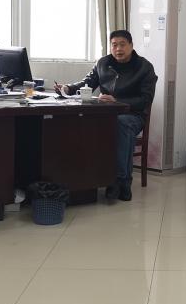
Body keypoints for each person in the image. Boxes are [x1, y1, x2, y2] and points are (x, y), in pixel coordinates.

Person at [55, 30, 156, 202]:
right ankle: (86, 180)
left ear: (131, 46)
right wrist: (68, 88)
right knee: (80, 122)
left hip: (133, 115)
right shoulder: (103, 63)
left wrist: (118, 101)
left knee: (121, 123)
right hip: (106, 114)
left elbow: (145, 100)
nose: (118, 49)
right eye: (114, 45)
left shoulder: (144, 67)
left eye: (122, 44)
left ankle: (120, 181)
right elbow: (87, 82)